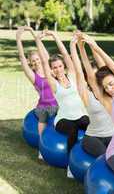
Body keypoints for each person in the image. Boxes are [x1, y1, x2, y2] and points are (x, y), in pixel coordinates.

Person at [82, 34, 114, 194]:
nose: (110, 88)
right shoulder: (109, 102)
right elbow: (91, 78)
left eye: (111, 83)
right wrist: (82, 49)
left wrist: (95, 46)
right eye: (106, 87)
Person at [35, 30, 90, 154]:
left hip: (80, 115)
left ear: (63, 66)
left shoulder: (71, 75)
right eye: (54, 67)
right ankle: (71, 162)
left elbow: (65, 54)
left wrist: (55, 36)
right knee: (73, 130)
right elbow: (44, 61)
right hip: (63, 119)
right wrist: (38, 40)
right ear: (52, 70)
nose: (58, 69)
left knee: (91, 124)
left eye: (60, 66)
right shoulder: (54, 83)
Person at [70, 31, 114, 158]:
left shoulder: (109, 92)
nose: (95, 78)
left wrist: (91, 44)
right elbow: (79, 71)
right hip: (93, 138)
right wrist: (75, 46)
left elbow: (104, 67)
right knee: (107, 157)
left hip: (113, 136)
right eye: (92, 76)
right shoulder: (85, 93)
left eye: (97, 76)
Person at [16, 26, 58, 160]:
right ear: (31, 63)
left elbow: (43, 51)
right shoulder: (33, 76)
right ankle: (42, 147)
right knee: (43, 118)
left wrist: (33, 33)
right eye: (33, 60)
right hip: (43, 107)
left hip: (58, 105)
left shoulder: (50, 69)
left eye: (37, 58)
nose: (36, 61)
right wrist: (18, 38)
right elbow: (22, 59)